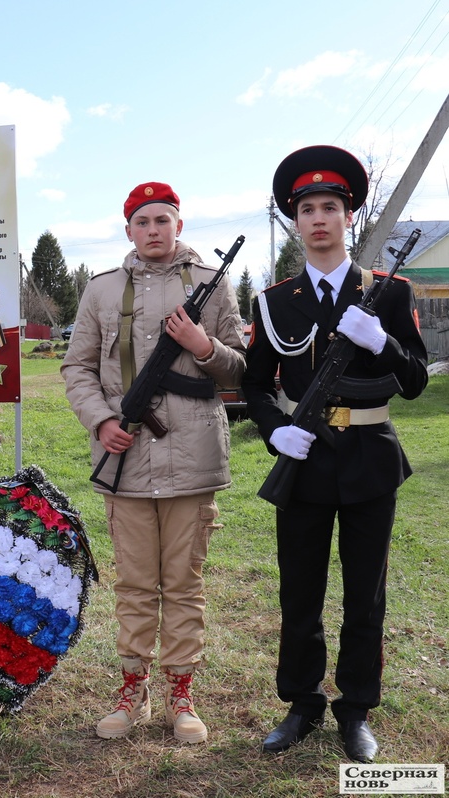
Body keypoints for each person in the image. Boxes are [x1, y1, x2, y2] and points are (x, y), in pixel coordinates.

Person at [246, 145, 428, 762]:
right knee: (299, 591)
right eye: (307, 209)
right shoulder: (273, 301)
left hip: (370, 459)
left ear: (348, 216)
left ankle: (355, 709)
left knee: (364, 595)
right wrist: (274, 430)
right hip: (303, 459)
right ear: (295, 222)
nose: (319, 218)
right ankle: (301, 703)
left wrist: (382, 341)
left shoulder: (390, 293)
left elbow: (416, 381)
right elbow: (253, 384)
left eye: (330, 207)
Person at [62, 183, 245, 744]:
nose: (153, 230)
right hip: (127, 458)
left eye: (163, 219)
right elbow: (78, 368)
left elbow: (239, 372)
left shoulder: (212, 288)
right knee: (136, 584)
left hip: (194, 460)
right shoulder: (101, 290)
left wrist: (202, 345)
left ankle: (181, 694)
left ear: (179, 226)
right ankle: (131, 689)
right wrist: (102, 422)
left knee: (184, 583)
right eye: (143, 222)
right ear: (128, 232)